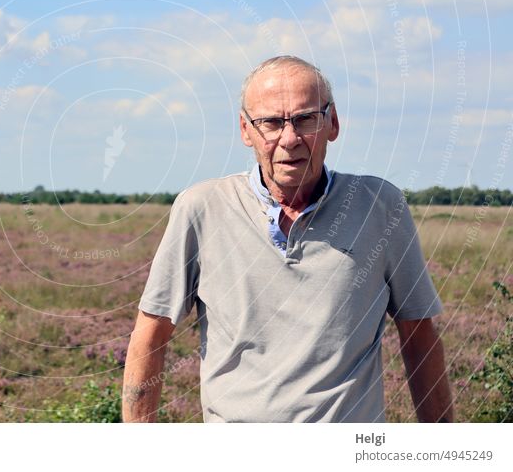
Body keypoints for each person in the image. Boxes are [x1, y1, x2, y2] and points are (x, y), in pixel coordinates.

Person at [122, 55, 453, 423]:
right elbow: (150, 335)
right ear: (246, 130)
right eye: (271, 123)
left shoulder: (380, 207)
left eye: (305, 119)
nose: (290, 138)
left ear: (333, 123)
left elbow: (419, 335)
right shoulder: (201, 208)